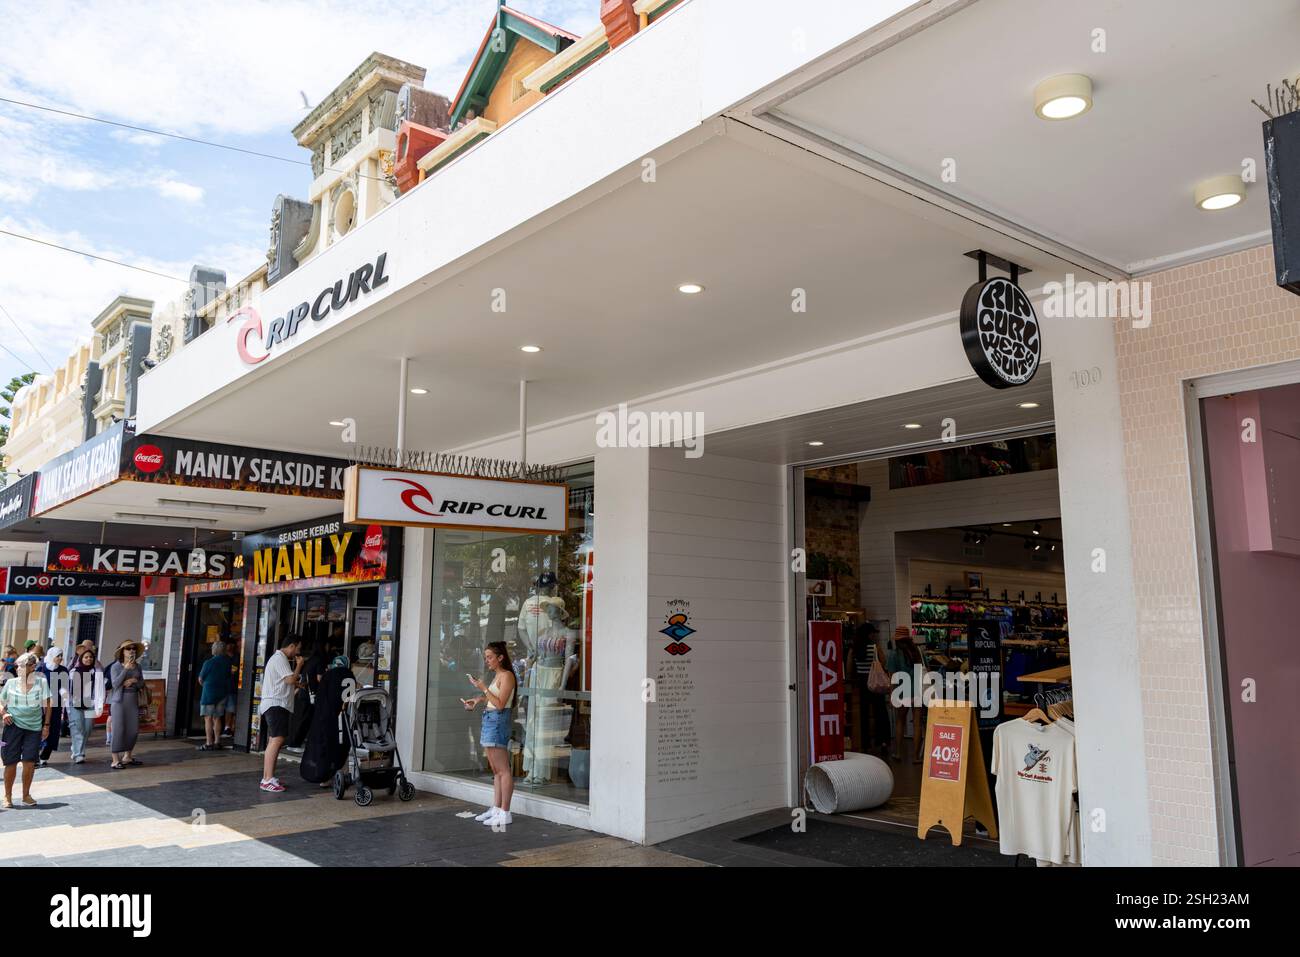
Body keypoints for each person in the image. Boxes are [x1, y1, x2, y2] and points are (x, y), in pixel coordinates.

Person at [462, 641, 517, 827]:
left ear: (500, 657)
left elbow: (501, 703)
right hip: (490, 719)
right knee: (495, 770)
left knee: (503, 769)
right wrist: (478, 700)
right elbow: (493, 699)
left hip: (497, 721)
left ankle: (505, 811)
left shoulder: (507, 676)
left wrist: (483, 688)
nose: (487, 661)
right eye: (486, 657)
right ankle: (497, 808)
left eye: (490, 657)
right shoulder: (498, 676)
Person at [0, 652, 51, 808]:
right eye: (19, 665)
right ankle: (7, 796)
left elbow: (48, 705)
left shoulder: (41, 682)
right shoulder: (11, 683)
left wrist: (46, 726)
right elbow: (1, 702)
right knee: (11, 762)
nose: (20, 668)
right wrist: (4, 713)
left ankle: (26, 795)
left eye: (24, 665)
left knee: (29, 763)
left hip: (34, 728)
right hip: (13, 727)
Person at [257, 636, 305, 793]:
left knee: (274, 741)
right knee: (277, 740)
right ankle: (267, 779)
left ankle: (268, 777)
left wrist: (297, 686)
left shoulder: (278, 659)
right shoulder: (280, 658)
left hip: (276, 705)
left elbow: (286, 684)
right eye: (297, 649)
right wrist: (299, 666)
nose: (297, 653)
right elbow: (290, 679)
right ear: (291, 646)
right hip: (275, 705)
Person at [300, 655, 353, 787]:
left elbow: (321, 698)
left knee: (326, 747)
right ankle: (340, 773)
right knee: (343, 746)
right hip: (345, 718)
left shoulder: (328, 675)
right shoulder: (350, 676)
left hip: (327, 718)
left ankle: (325, 776)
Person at [107, 641, 145, 769]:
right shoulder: (116, 666)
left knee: (133, 729)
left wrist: (134, 681)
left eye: (133, 648)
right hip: (119, 701)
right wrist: (125, 671)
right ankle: (115, 759)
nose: (131, 650)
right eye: (128, 648)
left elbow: (142, 684)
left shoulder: (138, 666)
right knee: (119, 729)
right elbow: (115, 684)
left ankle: (127, 756)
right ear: (122, 651)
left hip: (133, 699)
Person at [66, 647, 105, 764]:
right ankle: (79, 754)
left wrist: (99, 705)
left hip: (91, 704)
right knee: (78, 727)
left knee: (87, 729)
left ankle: (76, 747)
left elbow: (100, 690)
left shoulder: (97, 672)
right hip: (75, 704)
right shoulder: (73, 672)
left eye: (91, 657)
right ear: (81, 658)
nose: (88, 659)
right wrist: (67, 706)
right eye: (86, 657)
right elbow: (67, 689)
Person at [197, 642, 233, 751]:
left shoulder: (208, 663)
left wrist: (205, 685)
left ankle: (209, 743)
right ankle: (217, 742)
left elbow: (200, 679)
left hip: (209, 694)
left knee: (208, 718)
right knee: (217, 718)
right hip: (222, 693)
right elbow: (228, 677)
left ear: (214, 650)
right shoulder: (227, 663)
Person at [35, 647, 68, 766]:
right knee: (38, 728)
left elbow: (65, 686)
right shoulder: (41, 668)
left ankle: (44, 756)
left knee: (53, 729)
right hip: (41, 704)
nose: (60, 658)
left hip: (56, 704)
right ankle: (34, 754)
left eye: (61, 655)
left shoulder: (63, 670)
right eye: (58, 655)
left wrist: (64, 693)